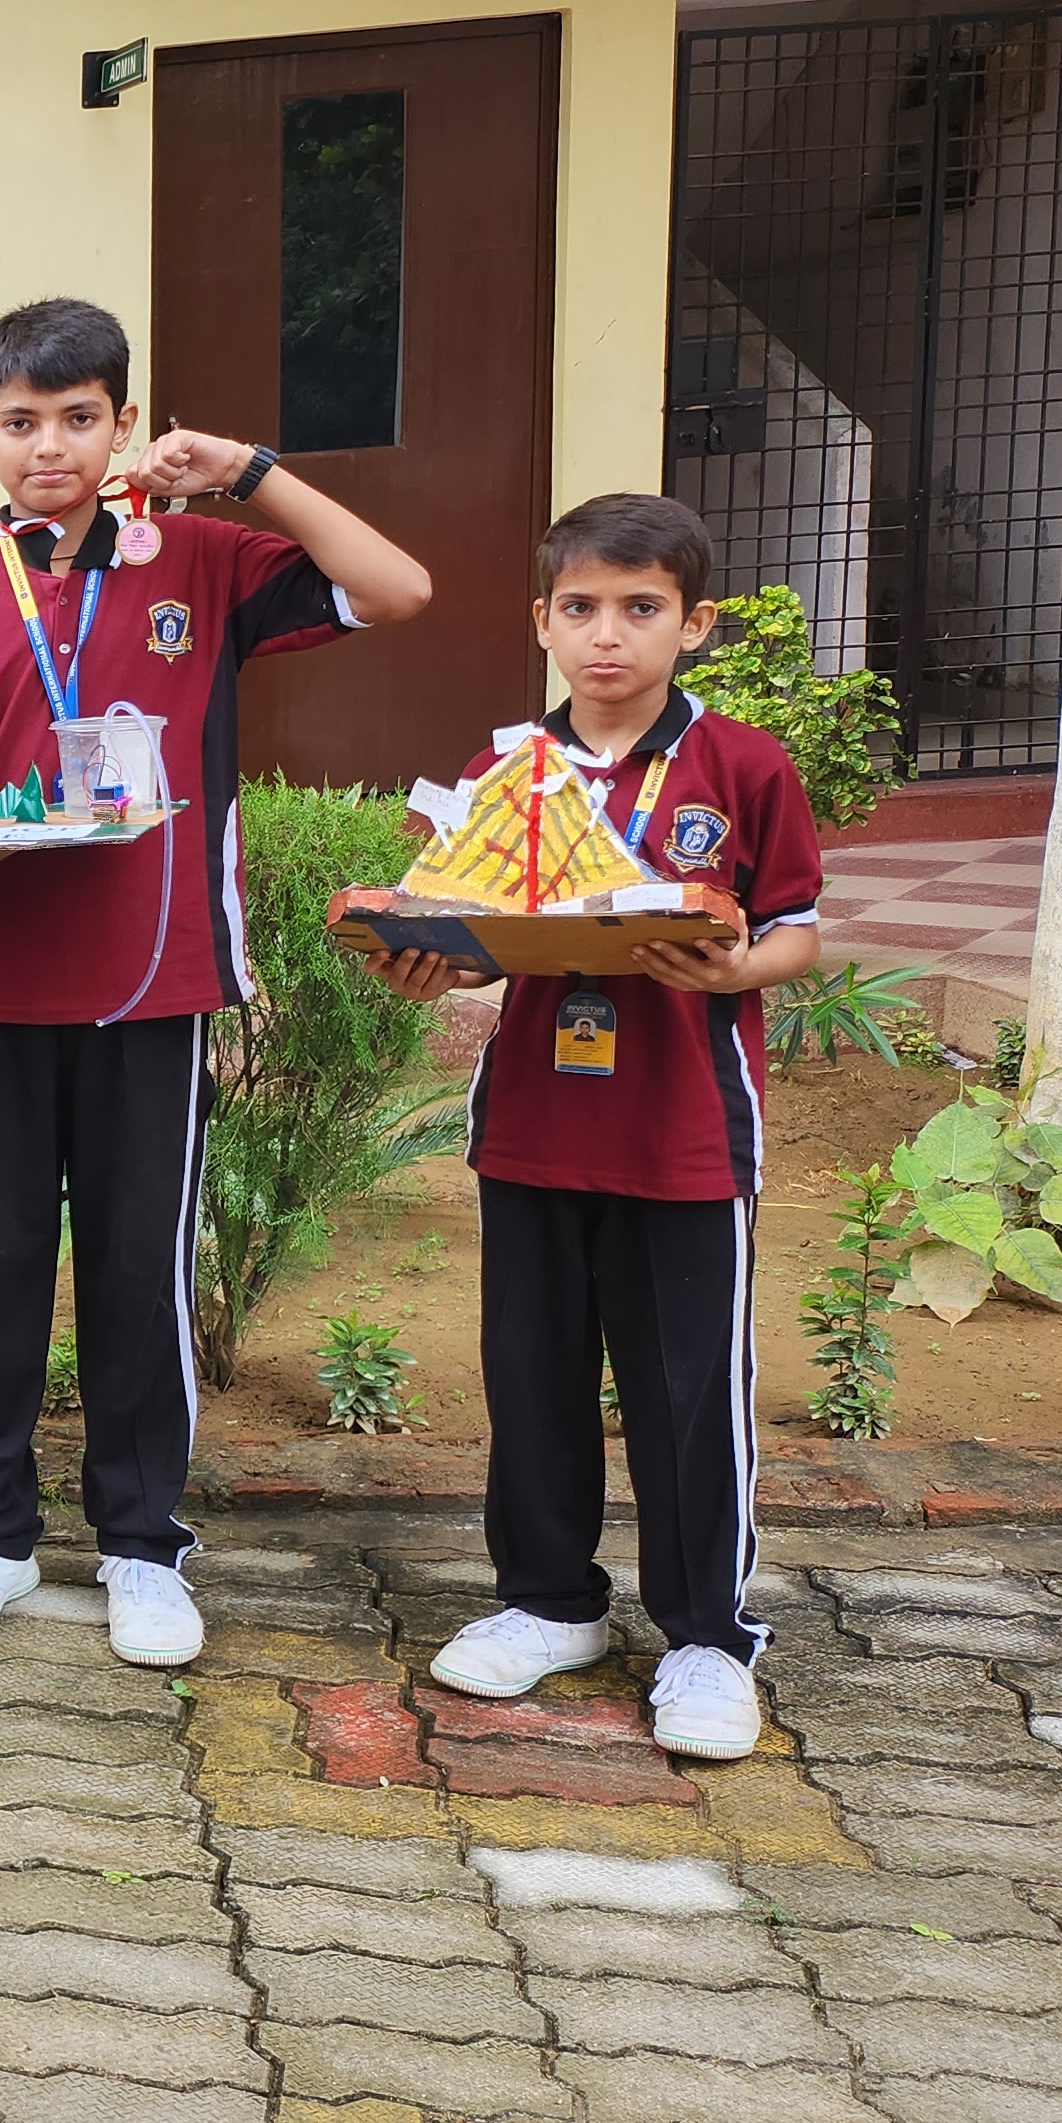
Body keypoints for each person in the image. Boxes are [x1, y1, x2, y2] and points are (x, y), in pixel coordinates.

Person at [0, 297, 431, 1670]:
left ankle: (140, 1545)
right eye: (20, 423)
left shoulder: (203, 560)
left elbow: (399, 591)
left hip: (152, 979)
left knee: (138, 1269)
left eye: (79, 418)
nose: (49, 447)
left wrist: (247, 470)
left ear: (123, 422)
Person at [371, 495, 819, 1764]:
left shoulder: (741, 766)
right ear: (541, 622)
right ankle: (548, 1601)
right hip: (531, 1126)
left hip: (683, 1134)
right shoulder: (501, 774)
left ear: (693, 624)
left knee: (687, 1392)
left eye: (639, 608)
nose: (606, 635)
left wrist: (739, 971)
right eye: (580, 608)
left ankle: (706, 1637)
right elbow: (470, 933)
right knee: (532, 1375)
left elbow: (795, 928)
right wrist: (429, 965)